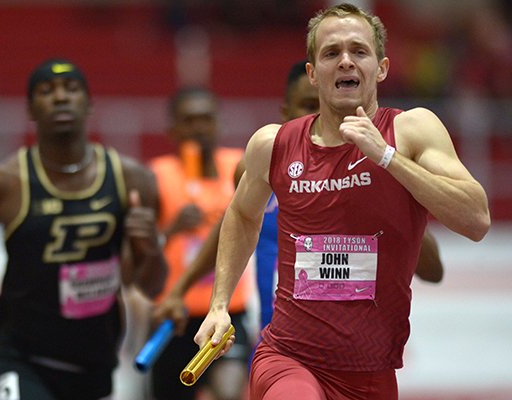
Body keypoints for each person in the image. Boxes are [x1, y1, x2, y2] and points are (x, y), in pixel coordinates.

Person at [194, 4, 490, 400]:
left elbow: (476, 219)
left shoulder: (412, 130)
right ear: (314, 73)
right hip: (288, 360)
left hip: (371, 374)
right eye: (331, 53)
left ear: (381, 68)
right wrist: (219, 305)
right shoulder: (274, 143)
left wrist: (385, 155)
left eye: (359, 51)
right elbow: (242, 215)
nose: (346, 61)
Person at [154, 59, 444, 346]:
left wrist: (393, 193)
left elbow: (433, 272)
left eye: (326, 105)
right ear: (285, 112)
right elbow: (229, 230)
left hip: (358, 346)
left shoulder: (373, 172)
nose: (320, 115)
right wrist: (180, 290)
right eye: (308, 105)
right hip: (277, 341)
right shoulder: (263, 167)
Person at [0, 58, 168, 400]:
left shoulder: (133, 180)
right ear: (30, 108)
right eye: (47, 91)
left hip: (95, 359)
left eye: (71, 89)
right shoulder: (1, 184)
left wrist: (148, 246)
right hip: (21, 354)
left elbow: (149, 286)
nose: (60, 98)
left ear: (89, 103)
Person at [148, 87, 252, 400]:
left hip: (227, 314)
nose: (199, 128)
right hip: (173, 319)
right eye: (189, 120)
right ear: (173, 129)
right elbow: (137, 256)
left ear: (218, 123)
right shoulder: (158, 176)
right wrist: (171, 229)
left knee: (229, 392)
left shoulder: (238, 166)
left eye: (206, 119)